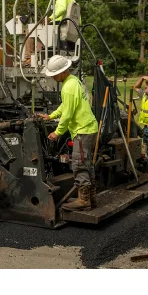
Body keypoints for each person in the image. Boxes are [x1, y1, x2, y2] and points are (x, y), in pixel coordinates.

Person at [44, 55, 99, 210]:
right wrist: (51, 116)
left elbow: (67, 114)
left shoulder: (68, 87)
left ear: (63, 71)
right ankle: (90, 198)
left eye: (55, 74)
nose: (53, 77)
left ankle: (83, 201)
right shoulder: (73, 81)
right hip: (88, 128)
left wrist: (57, 132)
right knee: (86, 164)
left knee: (79, 164)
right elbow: (66, 105)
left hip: (83, 130)